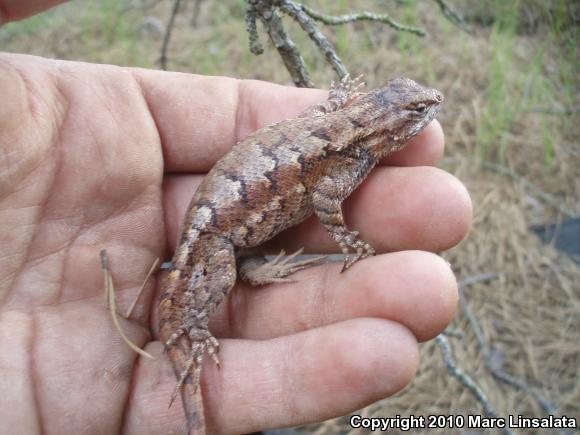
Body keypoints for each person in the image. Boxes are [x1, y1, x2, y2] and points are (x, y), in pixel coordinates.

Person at [0, 1, 472, 433]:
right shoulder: (346, 156)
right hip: (220, 229)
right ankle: (191, 328)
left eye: (416, 108)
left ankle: (243, 279)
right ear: (387, 124)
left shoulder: (349, 139)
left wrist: (338, 104)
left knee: (237, 265)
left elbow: (324, 134)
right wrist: (347, 239)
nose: (426, 109)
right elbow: (327, 200)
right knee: (217, 276)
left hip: (230, 206)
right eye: (414, 110)